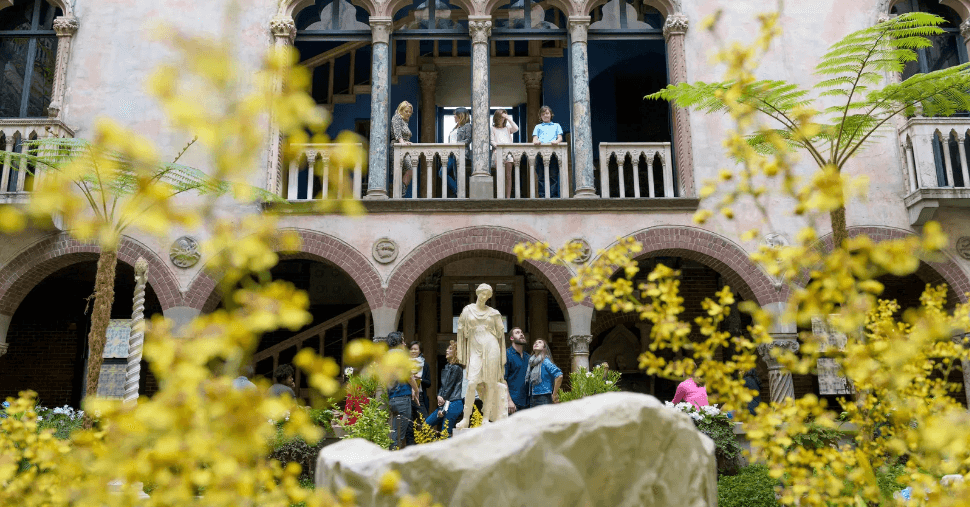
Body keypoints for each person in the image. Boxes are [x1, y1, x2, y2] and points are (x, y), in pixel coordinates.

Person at [455, 283, 508, 428]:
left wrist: (501, 357)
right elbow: (461, 330)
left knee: (490, 383)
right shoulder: (468, 310)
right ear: (477, 292)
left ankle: (486, 418)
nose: (484, 297)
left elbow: (500, 336)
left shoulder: (494, 313)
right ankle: (466, 418)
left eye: (487, 295)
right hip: (475, 348)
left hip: (491, 347)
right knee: (472, 383)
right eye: (482, 293)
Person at [424, 340, 465, 437]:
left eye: (450, 349)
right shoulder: (447, 367)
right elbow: (444, 386)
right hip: (446, 403)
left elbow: (450, 387)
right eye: (447, 348)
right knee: (426, 425)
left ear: (456, 353)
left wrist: (442, 406)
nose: (447, 350)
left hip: (453, 403)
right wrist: (439, 396)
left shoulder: (456, 368)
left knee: (445, 433)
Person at [386, 332, 419, 449]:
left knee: (393, 432)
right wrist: (416, 389)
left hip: (391, 399)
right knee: (399, 436)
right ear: (398, 342)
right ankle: (393, 460)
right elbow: (409, 376)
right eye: (403, 341)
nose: (405, 344)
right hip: (402, 399)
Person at [531, 105, 563, 198]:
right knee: (541, 176)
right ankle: (542, 196)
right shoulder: (538, 126)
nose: (545, 115)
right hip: (540, 153)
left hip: (553, 153)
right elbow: (534, 138)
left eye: (547, 113)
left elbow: (560, 137)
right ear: (540, 116)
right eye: (543, 114)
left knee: (553, 175)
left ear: (551, 114)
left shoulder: (556, 125)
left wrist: (556, 141)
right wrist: (536, 142)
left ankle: (553, 196)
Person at [442, 107, 472, 198]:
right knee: (442, 173)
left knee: (458, 175)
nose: (454, 116)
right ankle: (457, 190)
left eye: (455, 114)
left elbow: (468, 140)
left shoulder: (467, 126)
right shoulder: (455, 127)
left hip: (460, 154)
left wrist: (456, 145)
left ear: (461, 116)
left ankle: (460, 194)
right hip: (451, 154)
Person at [490, 109, 519, 198]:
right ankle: (500, 196)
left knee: (508, 176)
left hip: (508, 154)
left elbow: (516, 128)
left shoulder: (507, 128)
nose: (502, 119)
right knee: (500, 176)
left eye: (503, 117)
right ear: (496, 117)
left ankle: (508, 197)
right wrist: (498, 146)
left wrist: (509, 118)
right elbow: (491, 141)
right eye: (500, 117)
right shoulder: (493, 128)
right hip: (498, 153)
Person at [527, 339, 563, 407]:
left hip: (544, 397)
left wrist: (554, 394)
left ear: (544, 348)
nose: (536, 343)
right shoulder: (532, 363)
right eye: (535, 342)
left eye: (539, 342)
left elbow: (559, 375)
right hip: (533, 396)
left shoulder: (545, 361)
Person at [391, 101, 416, 198]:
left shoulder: (405, 121)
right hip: (398, 146)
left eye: (410, 112)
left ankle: (401, 193)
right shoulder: (397, 117)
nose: (408, 113)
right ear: (400, 110)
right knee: (403, 170)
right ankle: (399, 194)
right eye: (406, 111)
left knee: (409, 170)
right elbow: (397, 133)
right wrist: (402, 142)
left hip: (405, 148)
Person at [504, 327, 530, 414]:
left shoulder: (528, 357)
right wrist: (509, 400)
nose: (522, 334)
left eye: (522, 332)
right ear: (512, 338)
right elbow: (503, 379)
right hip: (513, 404)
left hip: (528, 403)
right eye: (517, 333)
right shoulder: (506, 355)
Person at [409, 340, 432, 416]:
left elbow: (428, 383)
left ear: (420, 351)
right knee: (409, 423)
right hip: (408, 395)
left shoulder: (424, 365)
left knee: (425, 421)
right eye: (411, 349)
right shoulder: (405, 364)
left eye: (415, 349)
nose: (413, 351)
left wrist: (420, 380)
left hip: (420, 395)